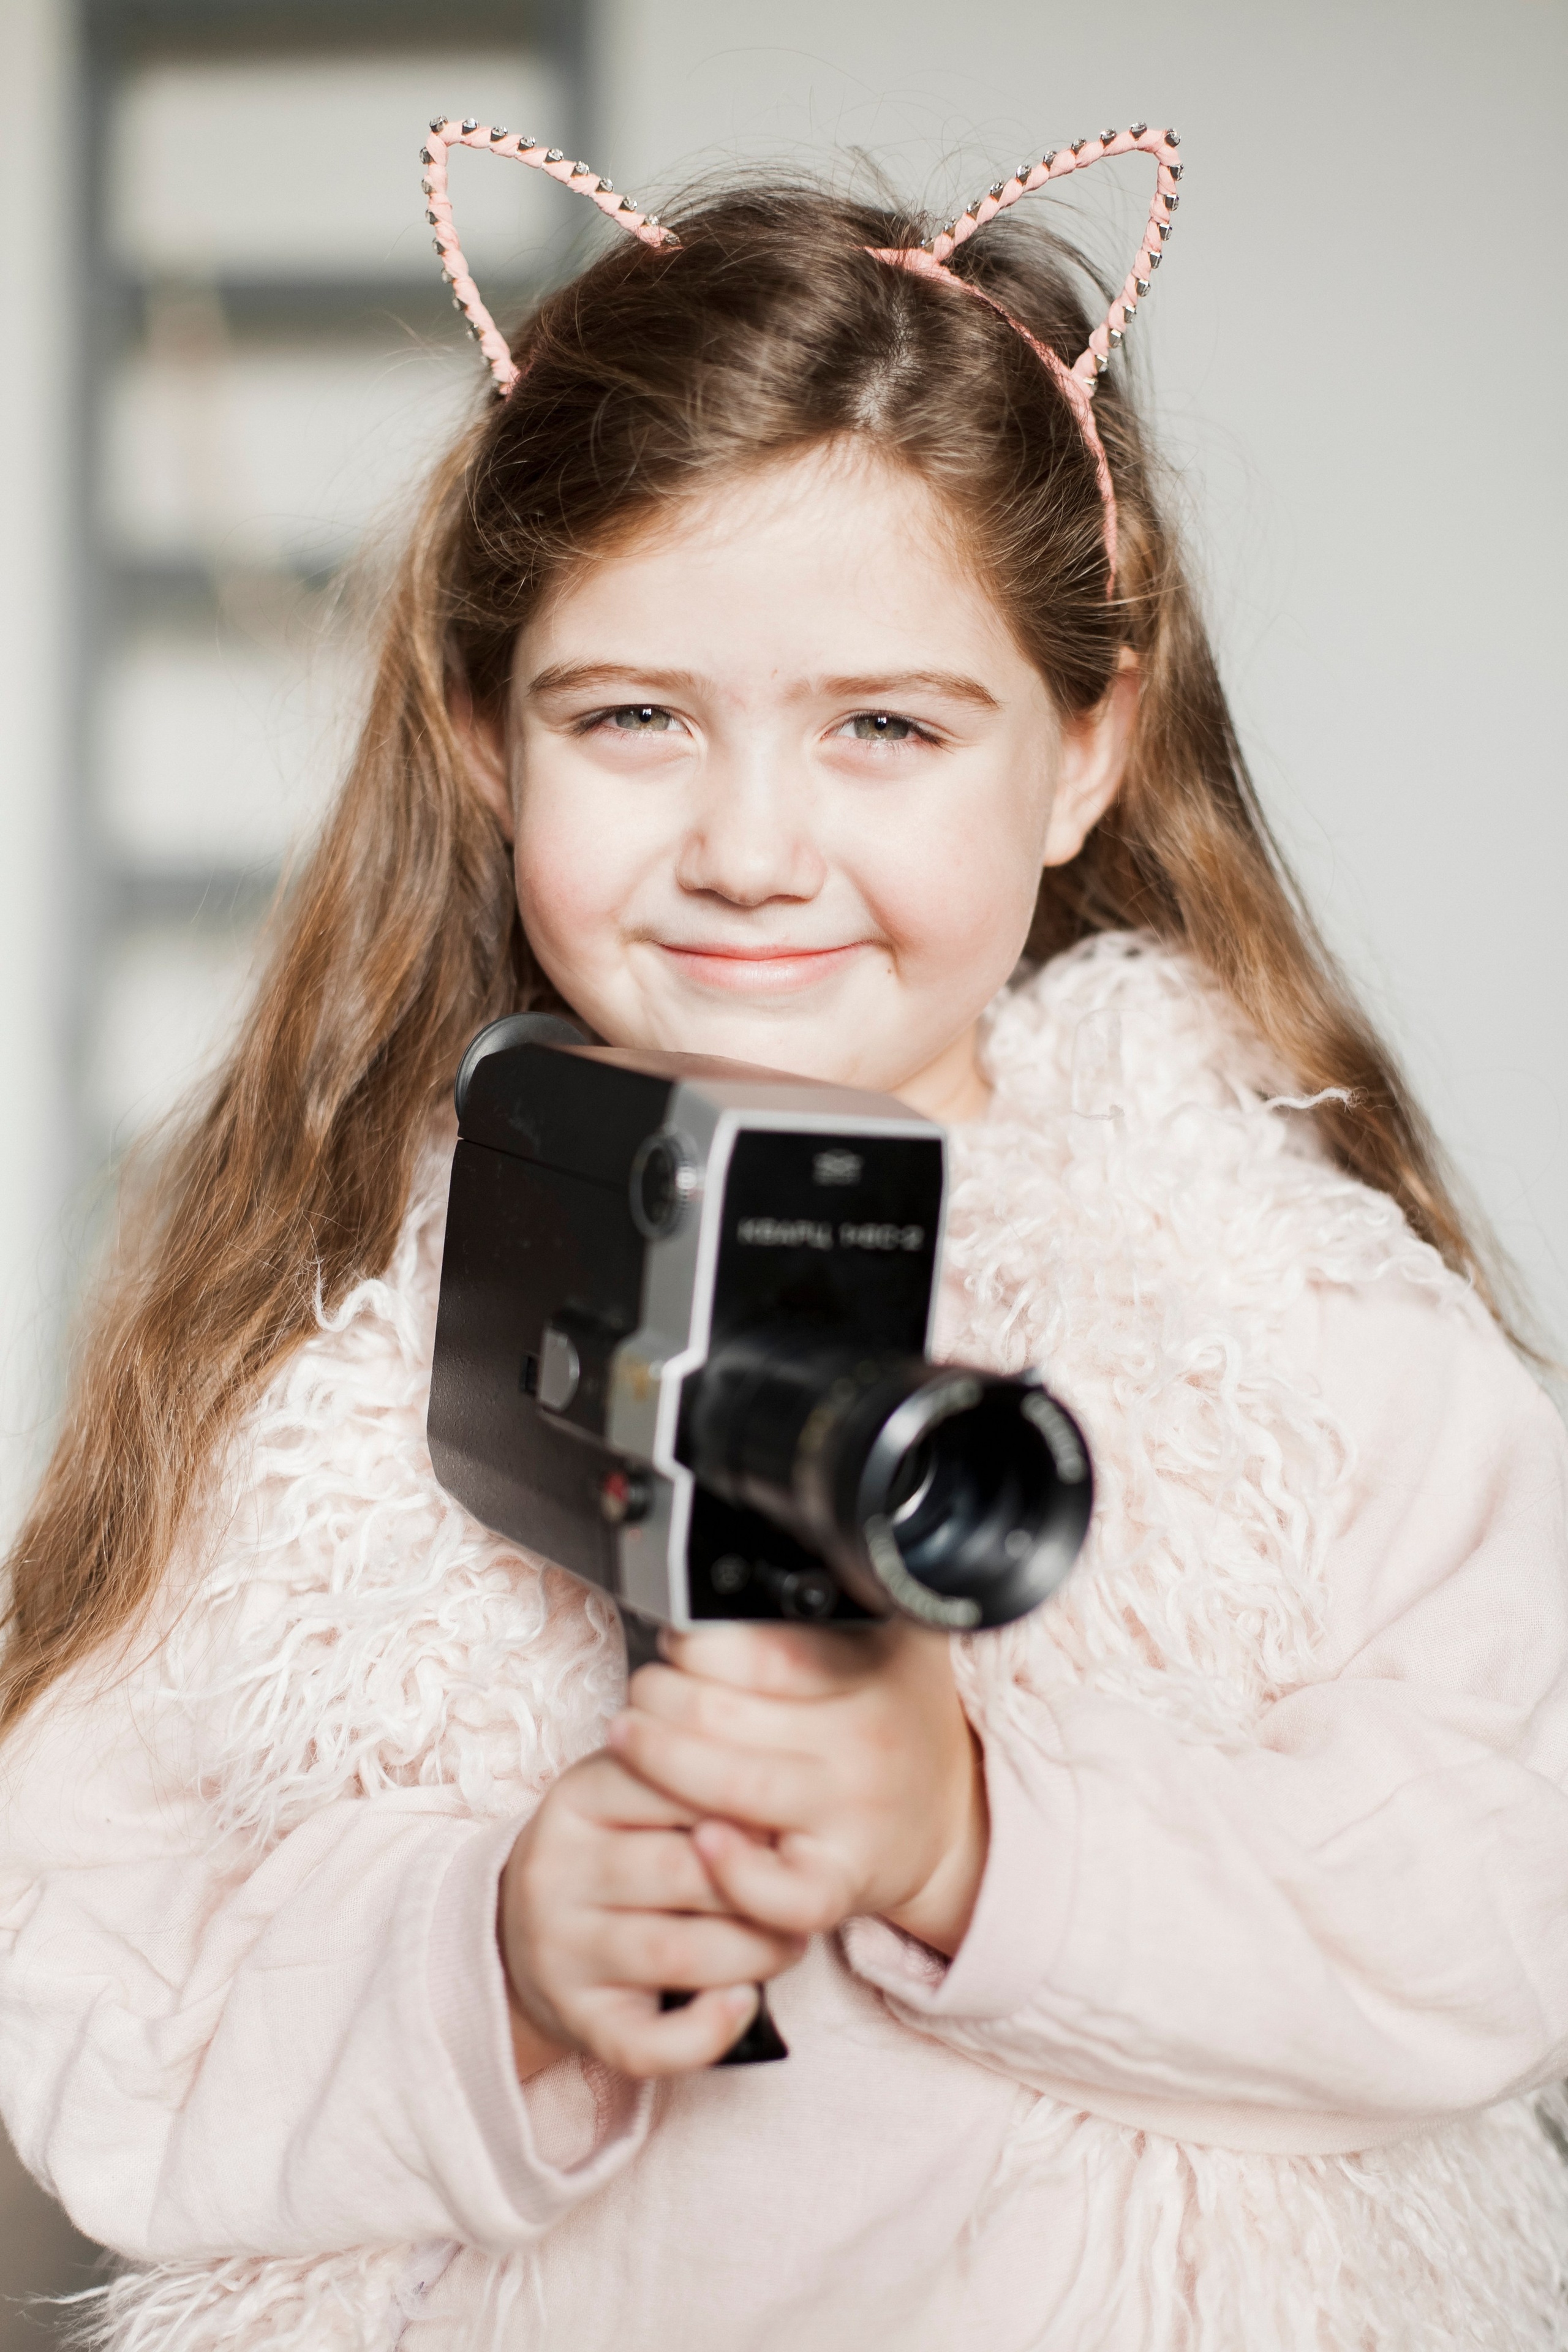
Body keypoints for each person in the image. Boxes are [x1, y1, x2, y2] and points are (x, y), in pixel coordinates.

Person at [1, 119, 1566, 2352]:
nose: (752, 845)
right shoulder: (320, 1354)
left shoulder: (1295, 1328)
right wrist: (496, 1956)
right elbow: (84, 1967)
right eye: (633, 717)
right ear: (485, 739)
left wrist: (980, 1846)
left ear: (1084, 753)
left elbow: (1503, 1903)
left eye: (885, 729)